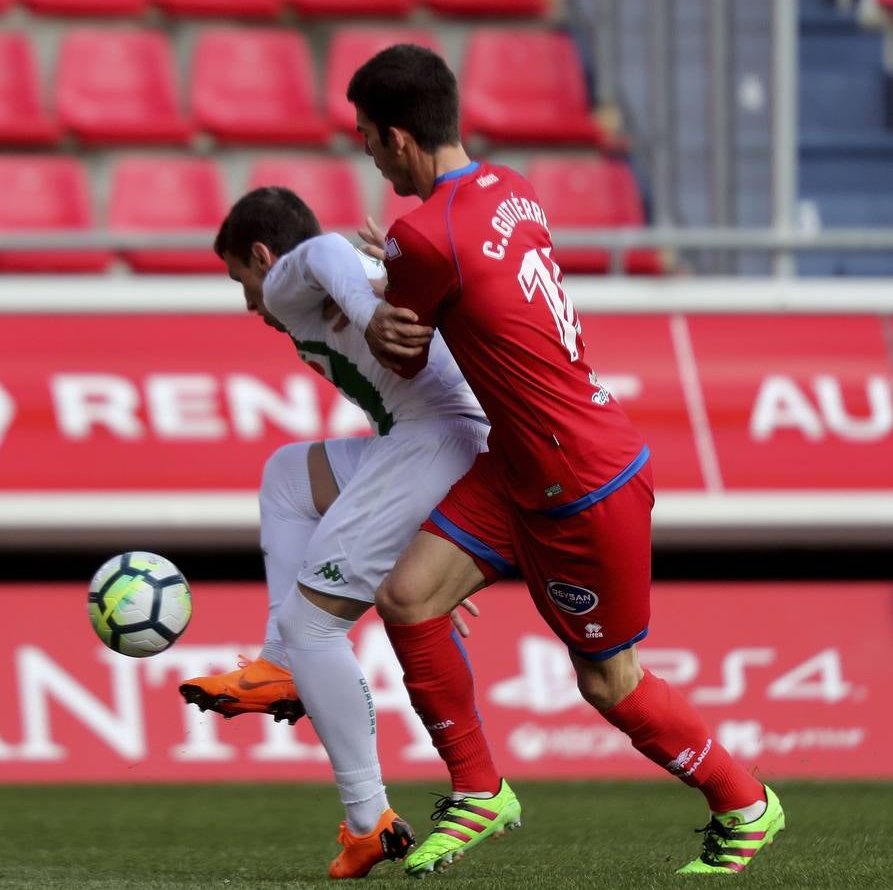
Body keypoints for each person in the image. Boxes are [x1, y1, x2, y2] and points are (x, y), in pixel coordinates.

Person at [333, 44, 782, 876]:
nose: (363, 150)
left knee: (608, 682)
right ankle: (479, 792)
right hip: (522, 461)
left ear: (397, 138)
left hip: (580, 482)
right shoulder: (508, 188)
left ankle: (743, 801)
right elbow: (468, 280)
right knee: (407, 598)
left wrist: (373, 297)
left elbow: (398, 353)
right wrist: (394, 269)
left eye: (365, 136)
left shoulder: (421, 236)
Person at [179, 187, 495, 878]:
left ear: (262, 257)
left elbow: (319, 250)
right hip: (430, 442)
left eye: (242, 281)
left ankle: (369, 818)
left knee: (313, 625)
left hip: (439, 440)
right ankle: (278, 665)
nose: (248, 304)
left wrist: (367, 308)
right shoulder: (343, 279)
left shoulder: (297, 279)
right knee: (289, 476)